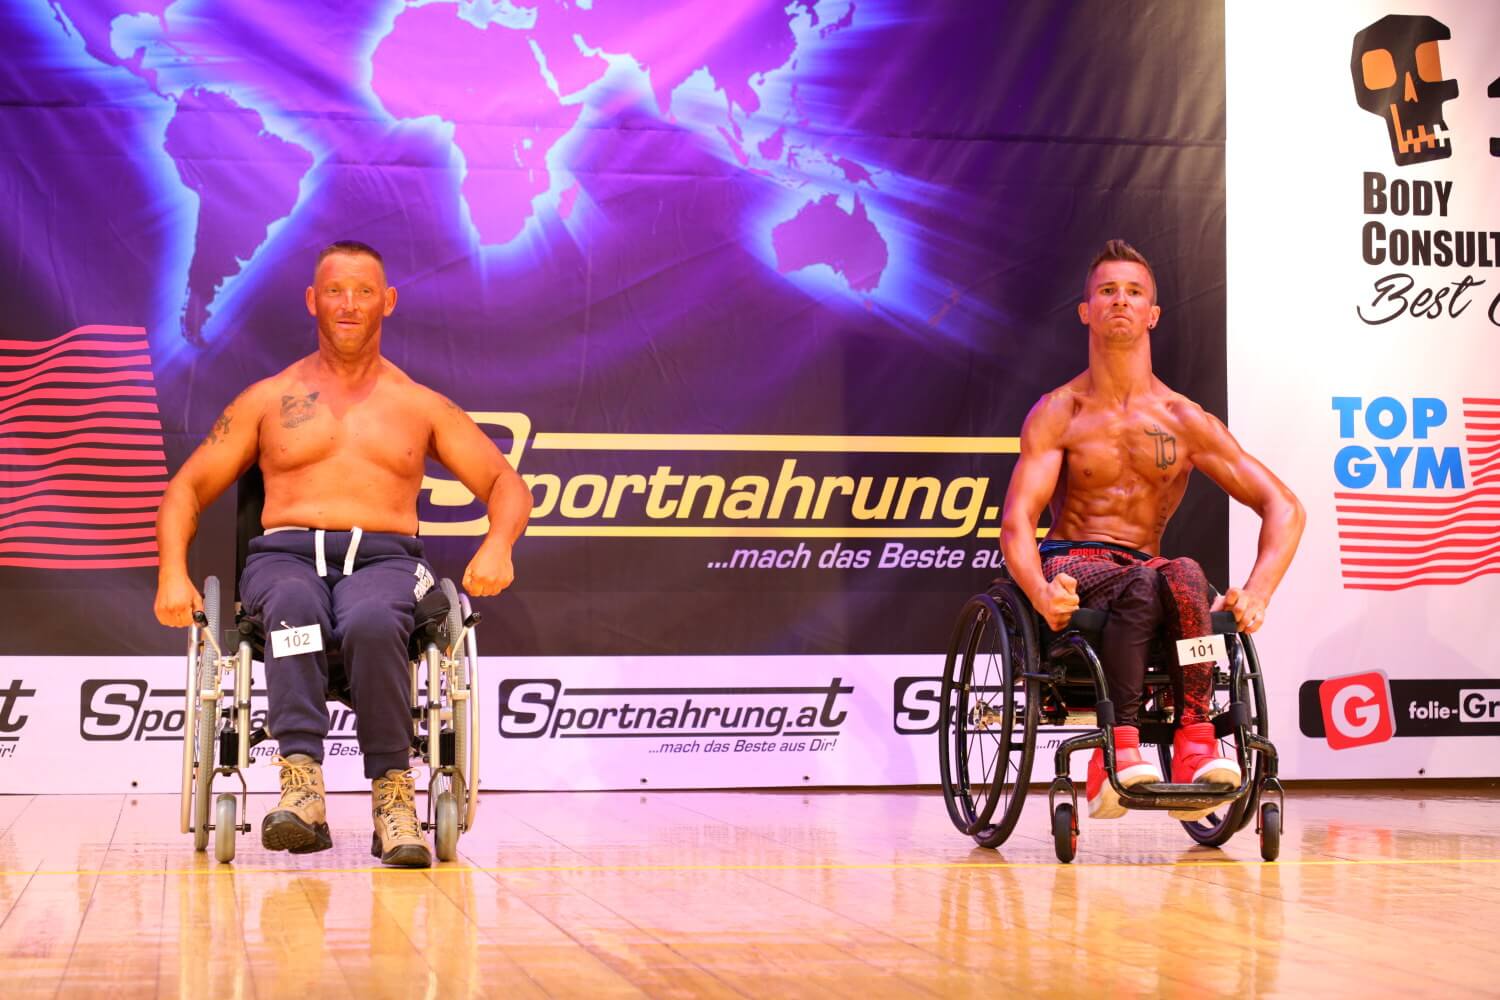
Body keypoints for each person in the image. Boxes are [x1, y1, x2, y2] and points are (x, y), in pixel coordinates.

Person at [154, 240, 532, 867]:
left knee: (374, 619)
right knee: (294, 609)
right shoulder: (269, 399)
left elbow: (504, 483)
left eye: (363, 291)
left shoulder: (418, 404)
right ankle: (301, 785)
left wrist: (500, 544)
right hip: (286, 558)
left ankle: (393, 794)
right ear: (312, 300)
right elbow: (186, 488)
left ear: (388, 301)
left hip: (385, 561)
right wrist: (172, 571)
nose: (349, 304)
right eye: (334, 290)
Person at [999, 239, 1303, 821]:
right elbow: (1016, 523)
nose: (1121, 300)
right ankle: (1116, 748)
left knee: (1182, 573)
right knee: (1156, 581)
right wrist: (1039, 592)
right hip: (1073, 562)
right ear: (1086, 310)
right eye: (1107, 291)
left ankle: (1195, 744)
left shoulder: (1183, 419)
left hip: (1147, 572)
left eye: (1134, 292)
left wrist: (1258, 593)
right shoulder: (1060, 411)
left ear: (1153, 314)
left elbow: (1284, 507)